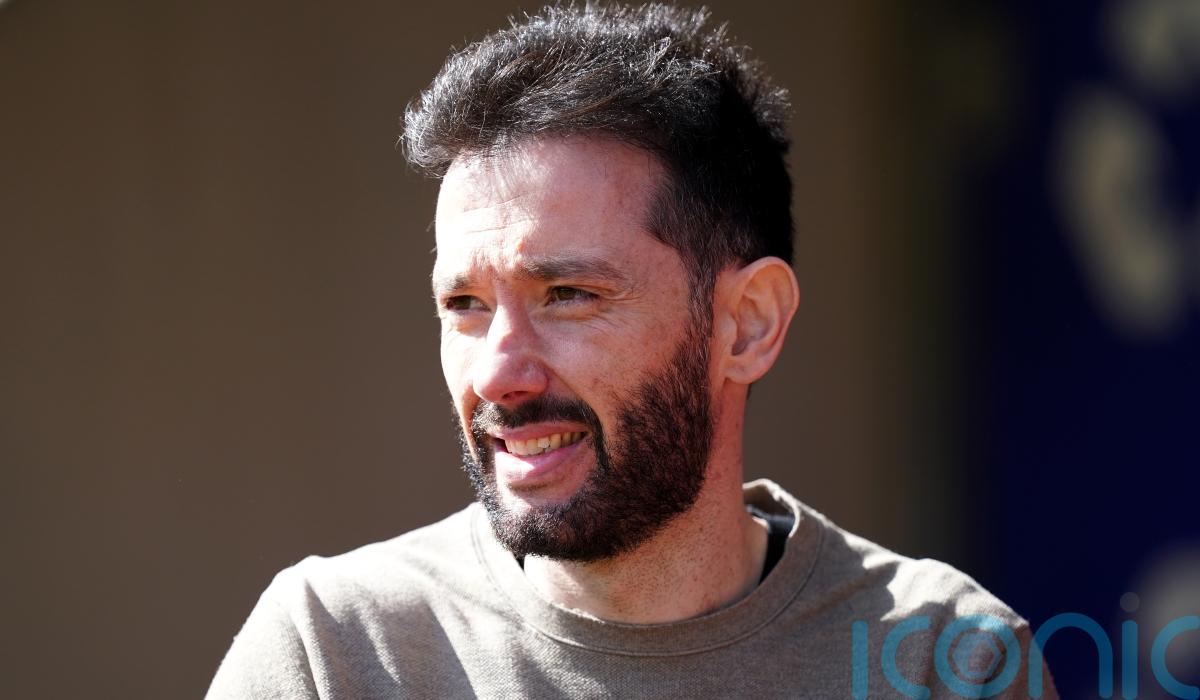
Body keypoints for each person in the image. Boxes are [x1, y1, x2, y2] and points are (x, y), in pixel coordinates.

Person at [208, 4, 1057, 697]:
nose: (498, 372)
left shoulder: (945, 659)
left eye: (568, 295)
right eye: (464, 306)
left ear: (747, 324)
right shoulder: (336, 654)